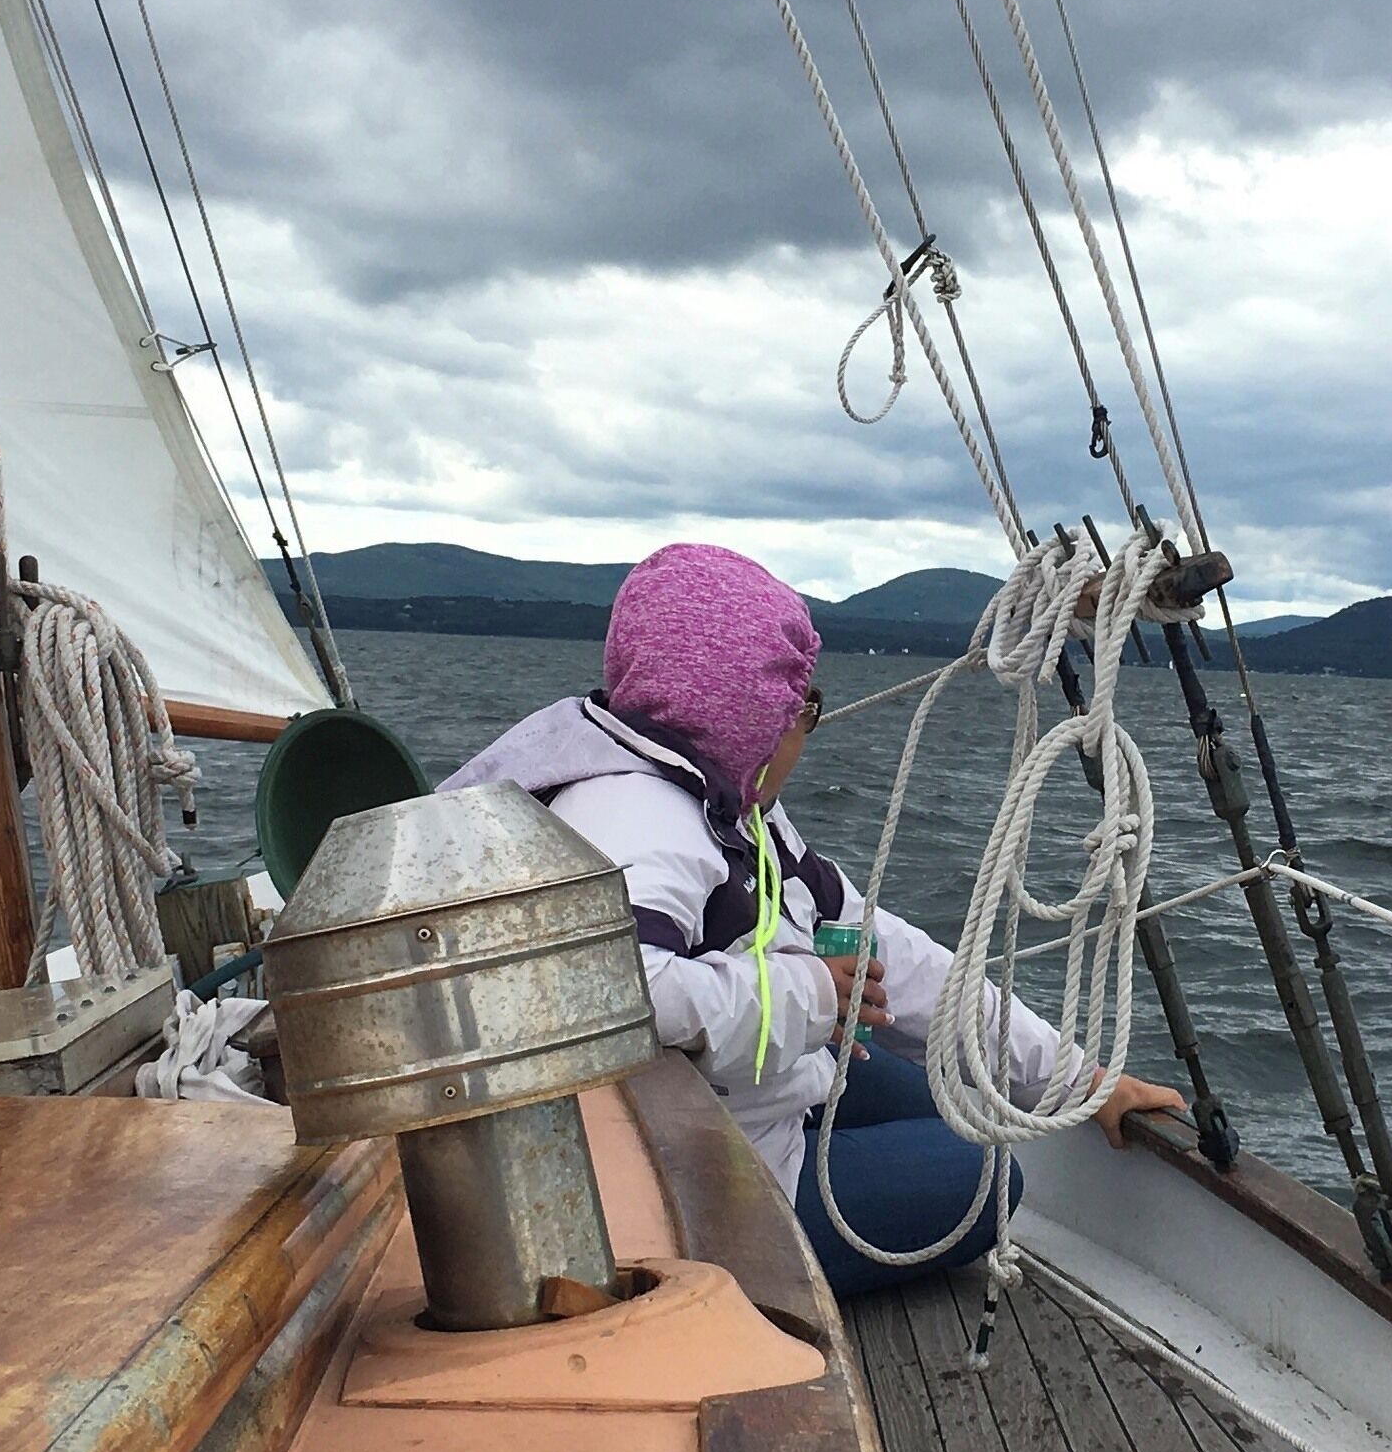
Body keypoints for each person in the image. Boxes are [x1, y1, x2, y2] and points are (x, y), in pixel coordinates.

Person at [439, 543, 1186, 1296]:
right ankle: (755, 1267)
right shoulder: (636, 817)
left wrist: (1076, 1077)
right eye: (802, 707)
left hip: (742, 1103)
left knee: (950, 1106)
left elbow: (884, 951)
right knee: (985, 1180)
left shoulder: (728, 800)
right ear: (744, 714)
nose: (808, 726)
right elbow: (611, 996)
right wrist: (814, 997)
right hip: (700, 1187)